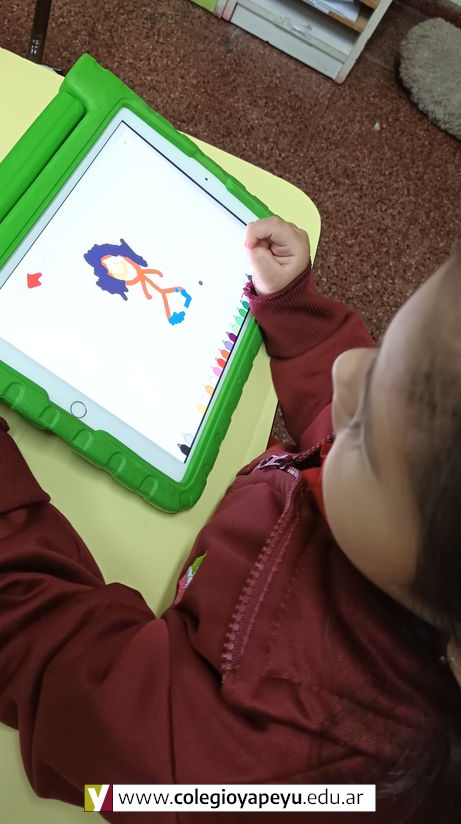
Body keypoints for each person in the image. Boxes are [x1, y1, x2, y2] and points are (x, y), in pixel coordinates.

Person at [0, 216, 460, 823]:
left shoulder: (270, 769)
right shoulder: (414, 511)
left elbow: (62, 679)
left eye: (367, 434)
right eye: (388, 353)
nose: (349, 370)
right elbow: (364, 416)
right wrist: (299, 316)